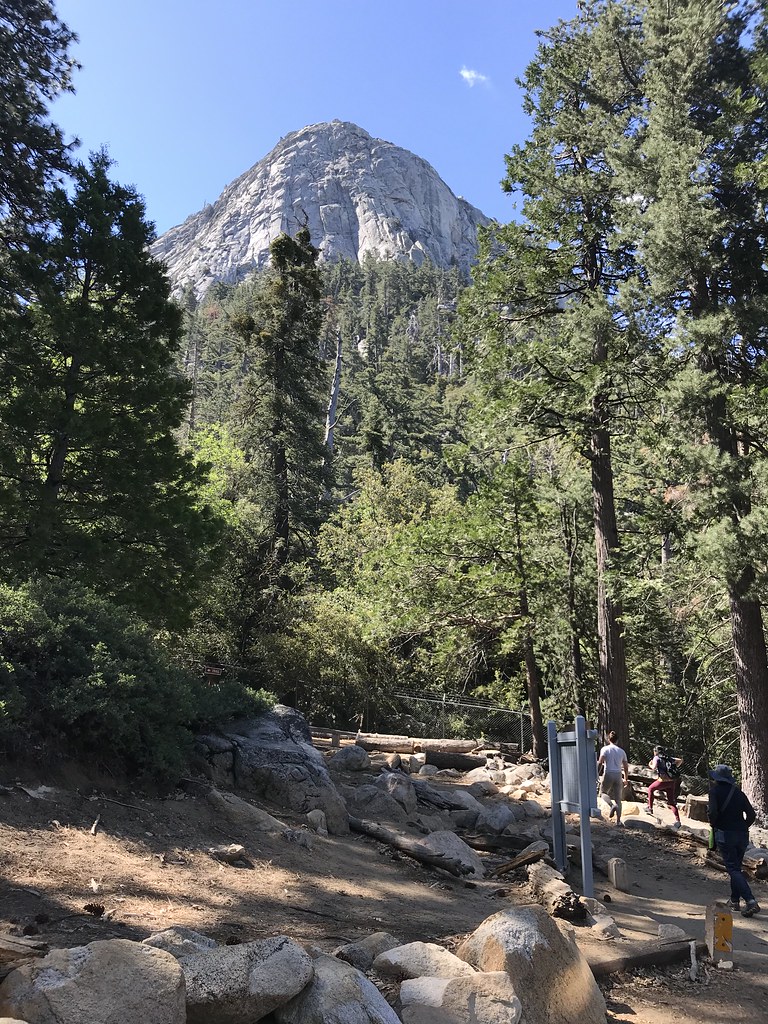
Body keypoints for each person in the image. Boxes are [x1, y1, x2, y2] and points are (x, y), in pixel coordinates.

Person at [708, 764, 760, 917]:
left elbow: (712, 811)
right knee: (736, 867)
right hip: (742, 835)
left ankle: (750, 901)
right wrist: (743, 826)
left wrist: (714, 823)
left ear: (716, 778)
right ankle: (734, 900)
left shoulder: (714, 792)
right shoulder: (739, 793)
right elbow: (751, 815)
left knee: (732, 869)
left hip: (725, 834)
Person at [597, 731, 629, 826]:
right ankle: (618, 821)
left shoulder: (605, 749)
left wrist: (597, 774)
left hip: (608, 773)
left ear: (608, 739)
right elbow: (626, 767)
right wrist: (625, 778)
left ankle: (612, 805)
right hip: (618, 774)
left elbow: (600, 762)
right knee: (618, 798)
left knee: (603, 793)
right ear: (617, 740)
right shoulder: (621, 751)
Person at [647, 745, 683, 828]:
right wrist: (675, 766)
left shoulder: (656, 757)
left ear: (655, 751)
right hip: (671, 782)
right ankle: (678, 821)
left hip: (662, 781)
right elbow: (679, 760)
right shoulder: (668, 757)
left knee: (650, 789)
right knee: (671, 802)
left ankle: (650, 808)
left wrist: (650, 764)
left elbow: (654, 767)